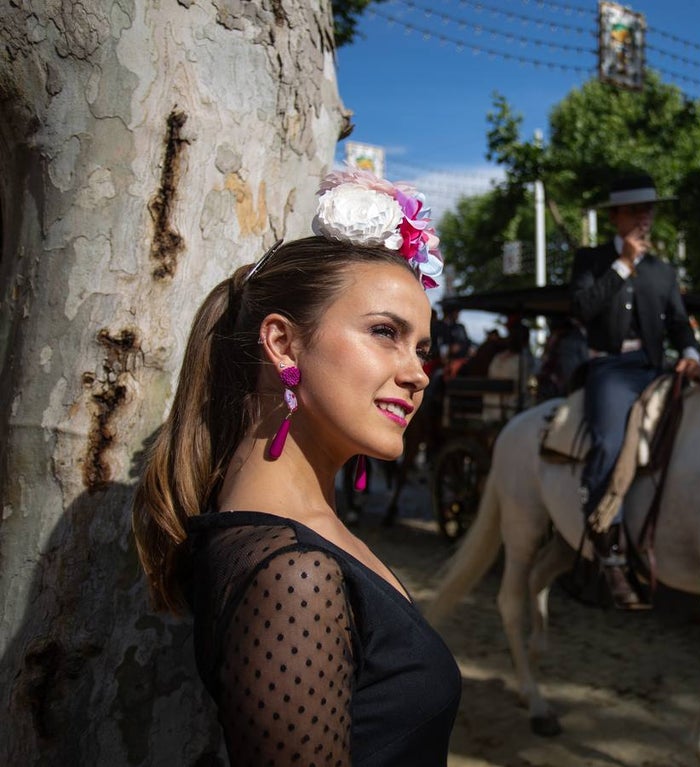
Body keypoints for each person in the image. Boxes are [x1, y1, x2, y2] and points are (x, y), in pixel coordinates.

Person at [132, 170, 461, 765]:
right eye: (385, 332)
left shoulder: (303, 538)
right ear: (282, 344)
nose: (417, 372)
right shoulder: (291, 574)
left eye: (421, 347)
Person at [570, 171, 700, 609]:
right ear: (616, 217)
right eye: (636, 210)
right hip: (608, 368)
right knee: (609, 443)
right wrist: (622, 265)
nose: (646, 217)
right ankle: (607, 547)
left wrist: (689, 350)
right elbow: (584, 310)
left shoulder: (664, 271)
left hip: (653, 367)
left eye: (649, 209)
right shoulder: (589, 261)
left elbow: (680, 321)